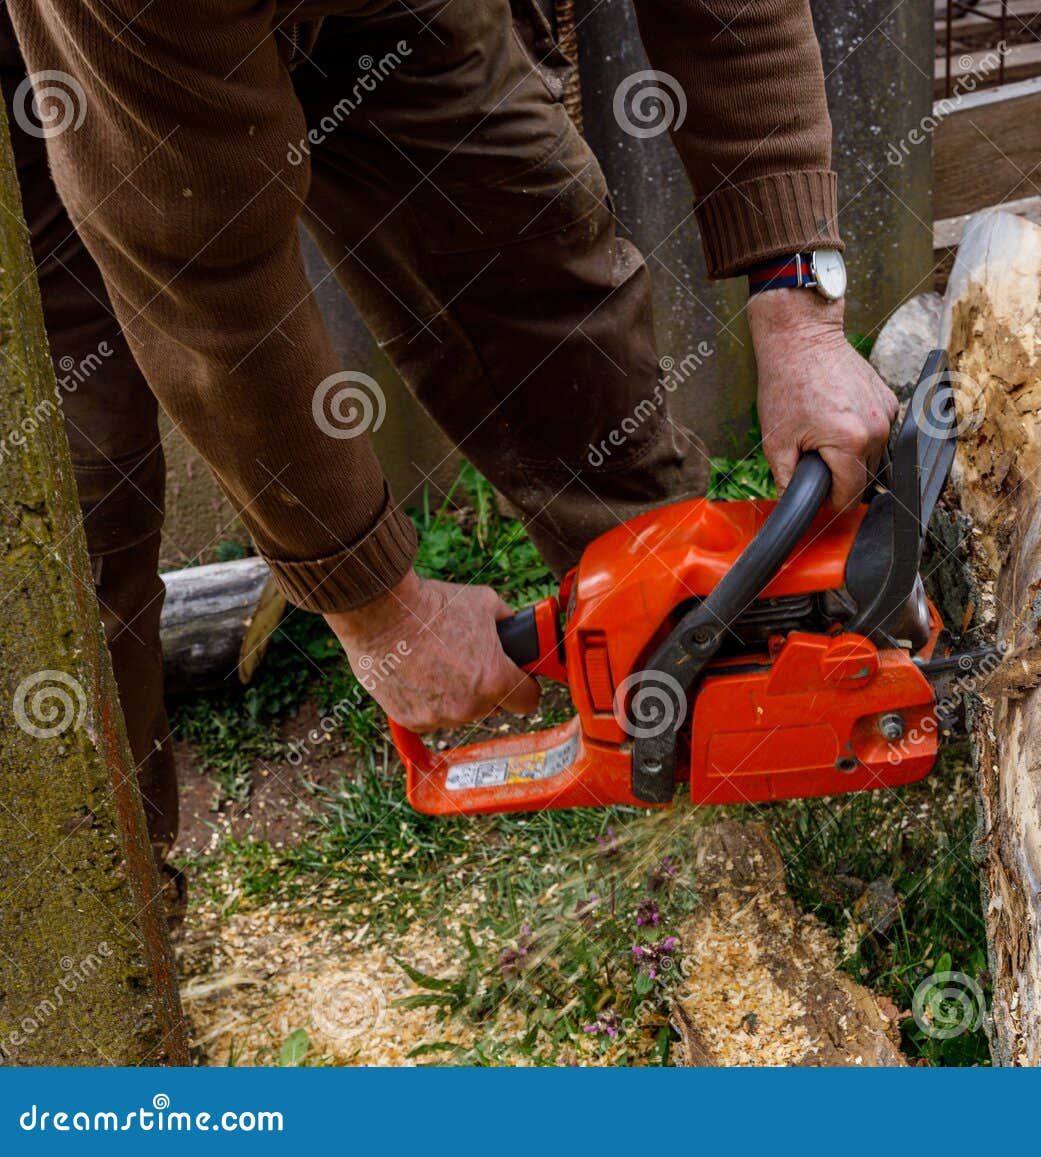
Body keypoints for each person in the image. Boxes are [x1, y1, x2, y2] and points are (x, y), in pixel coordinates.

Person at [2, 0, 897, 875]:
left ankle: (706, 712)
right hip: (81, 59)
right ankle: (110, 939)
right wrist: (375, 605)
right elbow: (206, 286)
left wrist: (798, 298)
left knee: (534, 255)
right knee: (71, 497)